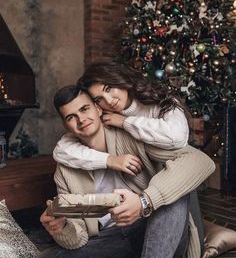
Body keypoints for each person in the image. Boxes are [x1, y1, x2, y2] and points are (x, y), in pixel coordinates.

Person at [31, 85, 215, 258]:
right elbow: (79, 237)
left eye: (84, 109)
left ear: (97, 107)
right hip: (111, 241)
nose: (81, 119)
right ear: (65, 124)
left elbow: (198, 161)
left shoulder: (131, 136)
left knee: (173, 191)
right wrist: (61, 228)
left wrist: (144, 202)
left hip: (157, 234)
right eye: (71, 116)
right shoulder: (66, 168)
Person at [53, 62, 189, 174]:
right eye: (99, 99)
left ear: (119, 79)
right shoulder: (103, 117)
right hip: (145, 182)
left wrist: (124, 122)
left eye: (108, 89)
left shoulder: (163, 101)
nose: (109, 100)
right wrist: (109, 160)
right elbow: (61, 150)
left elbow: (177, 138)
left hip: (178, 173)